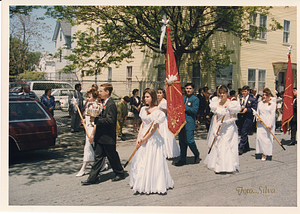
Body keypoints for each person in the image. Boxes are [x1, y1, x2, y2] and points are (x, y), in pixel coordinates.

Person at [130, 89, 174, 194]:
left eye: (148, 97)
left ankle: (153, 183)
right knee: (140, 160)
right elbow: (142, 124)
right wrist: (138, 138)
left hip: (153, 138)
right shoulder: (143, 109)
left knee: (152, 160)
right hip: (143, 136)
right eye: (144, 97)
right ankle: (140, 181)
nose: (145, 99)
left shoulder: (158, 111)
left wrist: (146, 138)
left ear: (153, 97)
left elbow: (154, 128)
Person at [81, 83, 125, 185]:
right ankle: (92, 178)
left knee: (112, 156)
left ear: (107, 92)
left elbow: (110, 120)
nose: (99, 93)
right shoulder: (103, 103)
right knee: (98, 158)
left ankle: (120, 172)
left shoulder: (111, 104)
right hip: (101, 136)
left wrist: (96, 119)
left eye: (101, 91)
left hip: (108, 137)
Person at [204, 85, 241, 173]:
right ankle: (219, 165)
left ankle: (227, 166)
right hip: (219, 127)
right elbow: (216, 117)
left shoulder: (231, 103)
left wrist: (225, 123)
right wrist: (214, 129)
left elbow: (234, 118)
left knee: (225, 144)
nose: (222, 95)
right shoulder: (217, 104)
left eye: (224, 93)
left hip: (229, 127)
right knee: (219, 144)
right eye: (220, 93)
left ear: (227, 93)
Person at [76, 88, 108, 177]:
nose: (87, 99)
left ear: (94, 97)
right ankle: (103, 164)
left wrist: (92, 134)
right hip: (88, 128)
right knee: (94, 148)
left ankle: (83, 167)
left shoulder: (96, 106)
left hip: (92, 129)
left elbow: (96, 122)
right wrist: (85, 120)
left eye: (89, 97)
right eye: (87, 97)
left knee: (88, 147)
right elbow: (89, 117)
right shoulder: (90, 105)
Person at [175, 83, 200, 166]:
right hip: (181, 123)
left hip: (189, 123)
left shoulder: (195, 99)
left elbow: (194, 110)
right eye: (187, 88)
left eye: (190, 88)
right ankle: (183, 159)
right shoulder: (182, 98)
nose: (188, 90)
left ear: (193, 89)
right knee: (182, 142)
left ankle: (196, 153)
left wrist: (184, 107)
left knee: (190, 141)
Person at [157, 88, 180, 159]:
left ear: (163, 94)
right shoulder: (159, 102)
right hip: (159, 119)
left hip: (163, 120)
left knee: (164, 135)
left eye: (160, 93)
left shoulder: (164, 102)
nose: (159, 94)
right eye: (158, 93)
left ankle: (168, 152)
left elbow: (164, 112)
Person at [255, 88, 276, 161]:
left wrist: (270, 124)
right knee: (260, 138)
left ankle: (266, 154)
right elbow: (257, 113)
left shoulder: (272, 104)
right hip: (261, 123)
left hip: (268, 123)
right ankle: (260, 151)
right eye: (263, 95)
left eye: (266, 95)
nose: (264, 96)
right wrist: (258, 118)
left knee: (267, 139)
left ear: (269, 96)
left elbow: (272, 115)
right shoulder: (260, 103)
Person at [238, 85, 258, 155]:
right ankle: (246, 146)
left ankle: (240, 147)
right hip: (241, 117)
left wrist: (247, 109)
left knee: (244, 131)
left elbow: (255, 109)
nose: (243, 92)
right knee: (242, 131)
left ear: (248, 91)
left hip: (248, 118)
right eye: (242, 91)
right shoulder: (240, 98)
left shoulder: (252, 99)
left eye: (245, 91)